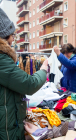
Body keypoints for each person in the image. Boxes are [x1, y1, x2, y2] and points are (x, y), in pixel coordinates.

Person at [0, 8, 48, 140]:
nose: (13, 39)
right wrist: (43, 70)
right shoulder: (1, 59)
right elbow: (29, 84)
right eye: (12, 35)